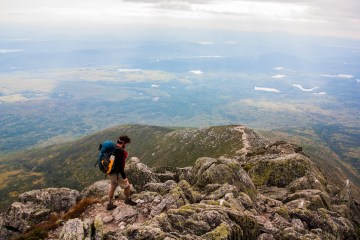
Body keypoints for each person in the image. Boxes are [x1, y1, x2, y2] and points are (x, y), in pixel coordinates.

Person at [107, 135, 137, 210]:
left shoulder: (113, 148)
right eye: (126, 143)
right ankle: (127, 200)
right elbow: (120, 166)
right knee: (127, 186)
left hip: (110, 171)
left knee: (113, 187)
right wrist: (124, 176)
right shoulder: (120, 151)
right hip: (117, 173)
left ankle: (109, 204)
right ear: (123, 143)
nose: (126, 145)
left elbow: (111, 160)